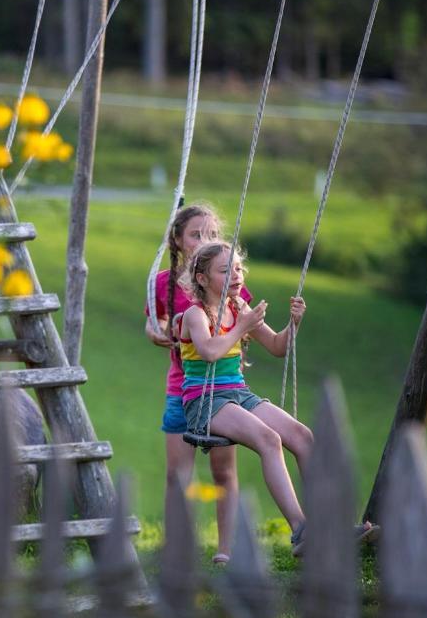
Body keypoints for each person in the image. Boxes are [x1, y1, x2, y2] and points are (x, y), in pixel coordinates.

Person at [178, 241, 375, 555]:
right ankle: (301, 530)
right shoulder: (195, 314)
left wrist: (293, 324)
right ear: (202, 279)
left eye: (238, 268)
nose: (236, 275)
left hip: (238, 393)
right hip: (204, 401)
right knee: (269, 439)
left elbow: (276, 347)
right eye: (225, 270)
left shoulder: (238, 308)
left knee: (302, 435)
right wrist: (241, 327)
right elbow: (210, 351)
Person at [145, 204, 250, 565]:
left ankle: (226, 549)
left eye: (211, 234)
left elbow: (244, 319)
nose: (204, 240)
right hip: (182, 387)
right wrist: (155, 331)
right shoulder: (164, 282)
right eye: (195, 234)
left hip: (222, 386)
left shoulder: (227, 278)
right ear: (177, 240)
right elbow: (156, 320)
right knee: (178, 473)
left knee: (223, 470)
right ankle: (177, 546)